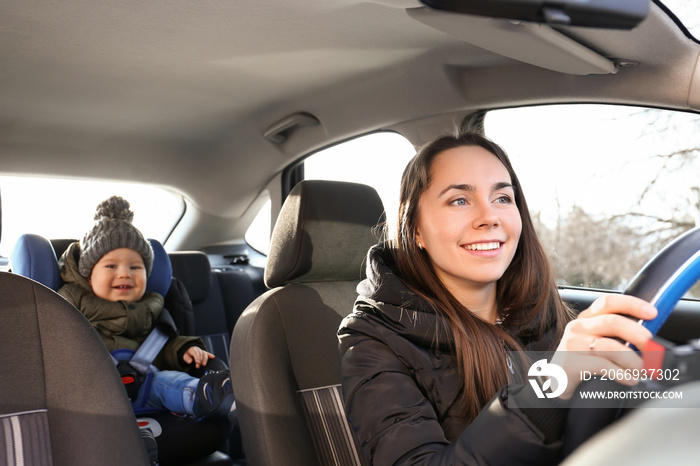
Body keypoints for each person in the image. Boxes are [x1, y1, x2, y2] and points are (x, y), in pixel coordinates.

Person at [337, 132, 656, 465]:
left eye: (502, 198)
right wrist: (548, 390)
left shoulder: (546, 313)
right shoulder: (372, 341)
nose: (489, 217)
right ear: (415, 227)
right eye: (459, 200)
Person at [58, 195, 234, 420]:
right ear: (88, 275)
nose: (124, 273)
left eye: (135, 267)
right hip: (90, 392)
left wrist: (183, 351)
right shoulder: (69, 301)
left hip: (145, 385)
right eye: (111, 265)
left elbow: (162, 346)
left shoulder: (153, 305)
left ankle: (209, 394)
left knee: (169, 382)